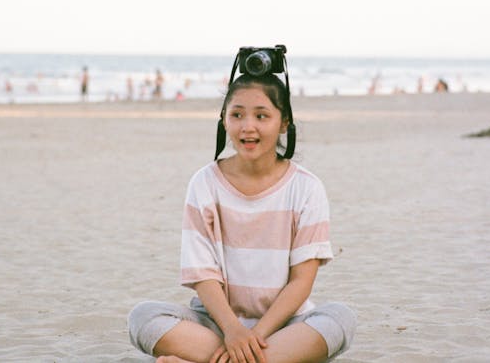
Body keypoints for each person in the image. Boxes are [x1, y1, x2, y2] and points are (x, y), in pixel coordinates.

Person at [127, 73, 356, 363]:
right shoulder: (204, 183)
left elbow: (301, 281)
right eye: (237, 115)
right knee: (143, 318)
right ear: (224, 120)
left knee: (339, 319)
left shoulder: (306, 187)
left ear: (284, 122)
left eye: (262, 116)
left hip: (284, 326)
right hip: (216, 326)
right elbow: (203, 275)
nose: (248, 127)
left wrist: (253, 337)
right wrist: (233, 332)